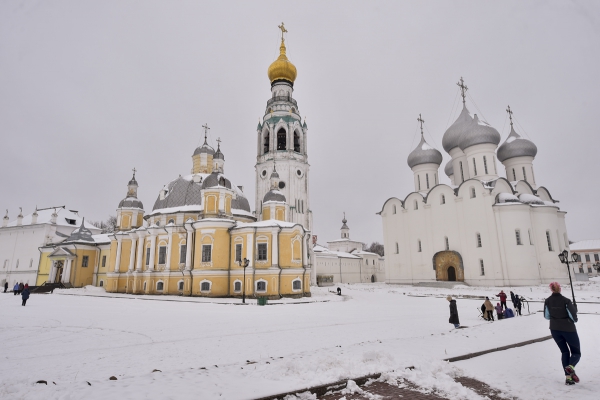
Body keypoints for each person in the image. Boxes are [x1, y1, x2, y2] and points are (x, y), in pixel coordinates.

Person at [544, 282, 580, 385]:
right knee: (576, 352)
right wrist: (575, 312)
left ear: (551, 289)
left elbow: (547, 316)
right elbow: (573, 317)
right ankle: (571, 366)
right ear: (560, 289)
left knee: (564, 352)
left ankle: (568, 378)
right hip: (568, 329)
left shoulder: (547, 301)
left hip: (554, 329)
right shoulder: (566, 301)